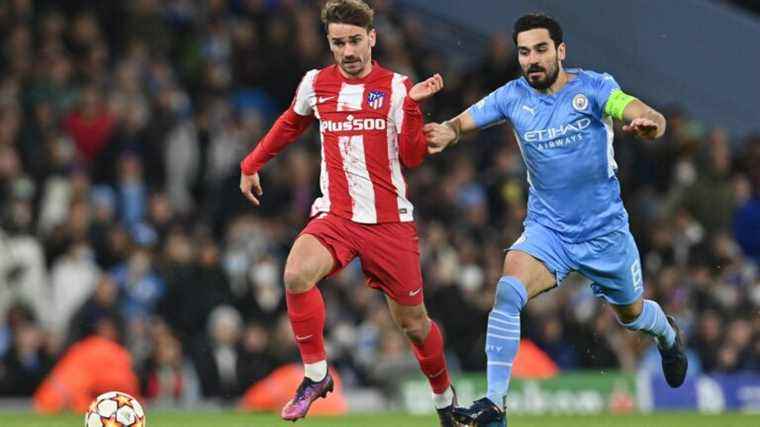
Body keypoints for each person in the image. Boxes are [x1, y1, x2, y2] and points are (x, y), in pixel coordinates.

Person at [424, 13, 688, 427]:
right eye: (524, 52)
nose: (532, 59)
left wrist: (648, 123)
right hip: (550, 232)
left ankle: (668, 337)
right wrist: (446, 132)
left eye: (541, 50)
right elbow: (461, 123)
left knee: (632, 315)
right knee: (508, 291)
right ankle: (495, 404)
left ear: (560, 51)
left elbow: (640, 111)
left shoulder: (595, 88)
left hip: (605, 233)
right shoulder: (512, 96)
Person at [238, 1, 459, 425]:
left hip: (389, 222)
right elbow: (289, 123)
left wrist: (413, 107)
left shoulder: (396, 87)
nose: (348, 51)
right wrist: (251, 164)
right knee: (295, 274)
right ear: (329, 43)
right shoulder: (316, 84)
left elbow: (412, 156)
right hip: (337, 217)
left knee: (414, 324)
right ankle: (316, 375)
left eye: (355, 41)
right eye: (339, 42)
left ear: (372, 38)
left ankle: (446, 400)